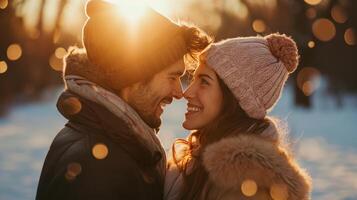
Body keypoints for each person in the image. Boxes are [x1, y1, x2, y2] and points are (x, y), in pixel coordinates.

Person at [36, 0, 211, 199]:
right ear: (132, 77)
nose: (179, 93)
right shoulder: (97, 167)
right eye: (172, 77)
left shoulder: (113, 143)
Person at [164, 33, 312, 200]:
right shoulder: (197, 159)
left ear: (235, 99)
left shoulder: (247, 184)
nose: (187, 92)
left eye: (204, 81)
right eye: (193, 79)